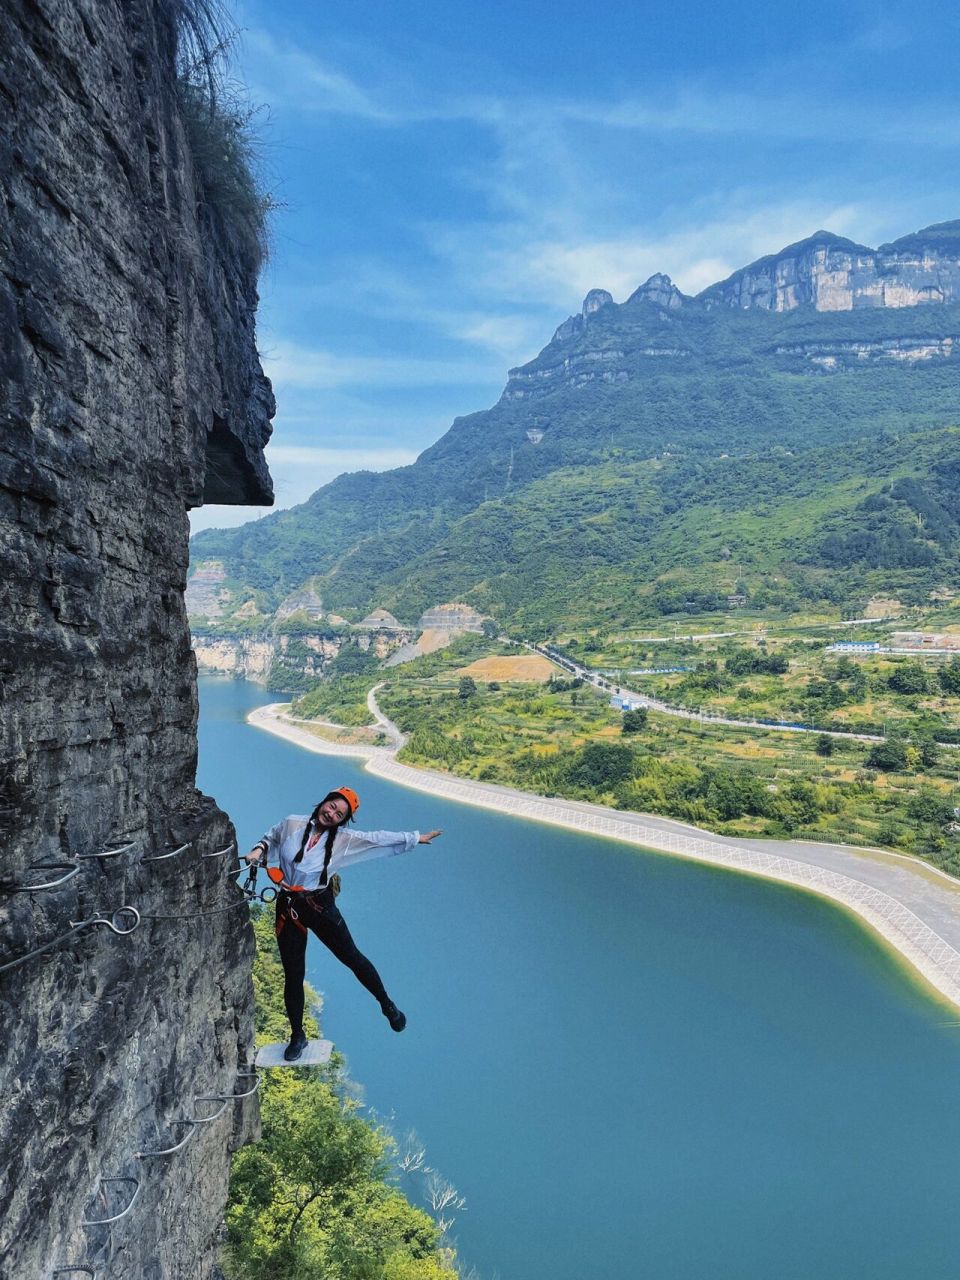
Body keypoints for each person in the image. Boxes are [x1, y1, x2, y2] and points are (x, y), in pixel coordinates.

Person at [246, 785, 441, 1060]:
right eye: (332, 806)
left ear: (342, 821)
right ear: (323, 802)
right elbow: (270, 839)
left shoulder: (343, 840)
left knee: (352, 958)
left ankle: (387, 1005)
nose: (332, 813)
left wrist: (414, 838)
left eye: (339, 813)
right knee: (293, 974)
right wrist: (257, 851)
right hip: (288, 904)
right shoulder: (292, 823)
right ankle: (297, 1036)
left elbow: (377, 839)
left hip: (318, 905)